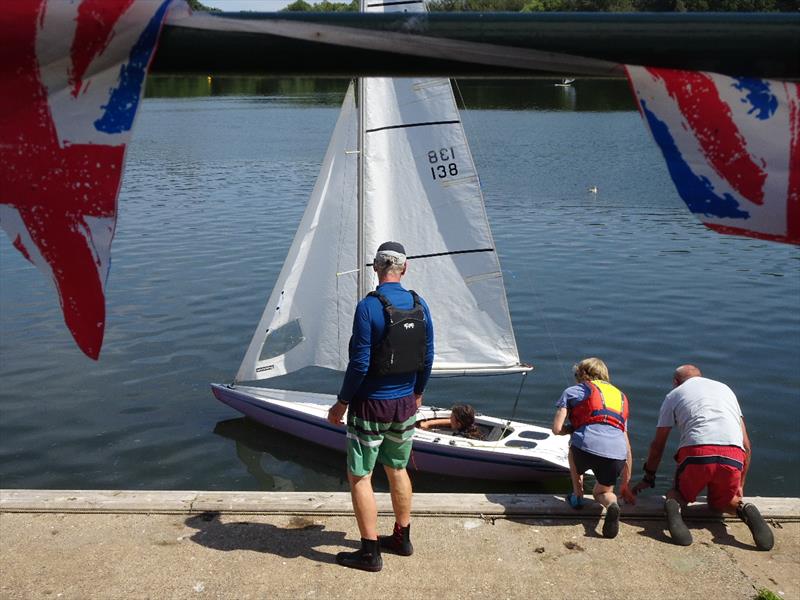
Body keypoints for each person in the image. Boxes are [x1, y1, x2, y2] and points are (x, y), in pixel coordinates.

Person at [327, 241, 434, 572]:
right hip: (405, 404)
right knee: (397, 469)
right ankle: (402, 538)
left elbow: (359, 364)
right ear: (405, 268)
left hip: (371, 405)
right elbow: (427, 356)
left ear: (376, 268)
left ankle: (370, 553)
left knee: (360, 475)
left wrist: (341, 402)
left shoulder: (368, 307)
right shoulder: (421, 304)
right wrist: (417, 392)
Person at [632, 365, 774, 550]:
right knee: (719, 505)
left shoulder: (674, 395)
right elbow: (746, 445)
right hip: (732, 455)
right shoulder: (725, 390)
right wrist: (740, 484)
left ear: (675, 382)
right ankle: (743, 508)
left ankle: (674, 507)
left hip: (697, 454)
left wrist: (648, 477)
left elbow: (658, 445)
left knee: (678, 494)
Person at [552, 357, 635, 539]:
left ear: (581, 374)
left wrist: (571, 429)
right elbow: (626, 444)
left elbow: (556, 429)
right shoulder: (621, 398)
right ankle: (612, 505)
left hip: (584, 450)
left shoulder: (573, 391)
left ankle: (578, 495)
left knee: (573, 445)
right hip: (617, 454)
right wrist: (625, 484)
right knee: (603, 492)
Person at [417, 404, 484, 440]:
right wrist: (429, 423)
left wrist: (423, 427)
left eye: (451, 417)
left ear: (458, 424)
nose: (449, 419)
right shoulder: (474, 429)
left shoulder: (459, 438)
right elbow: (451, 422)